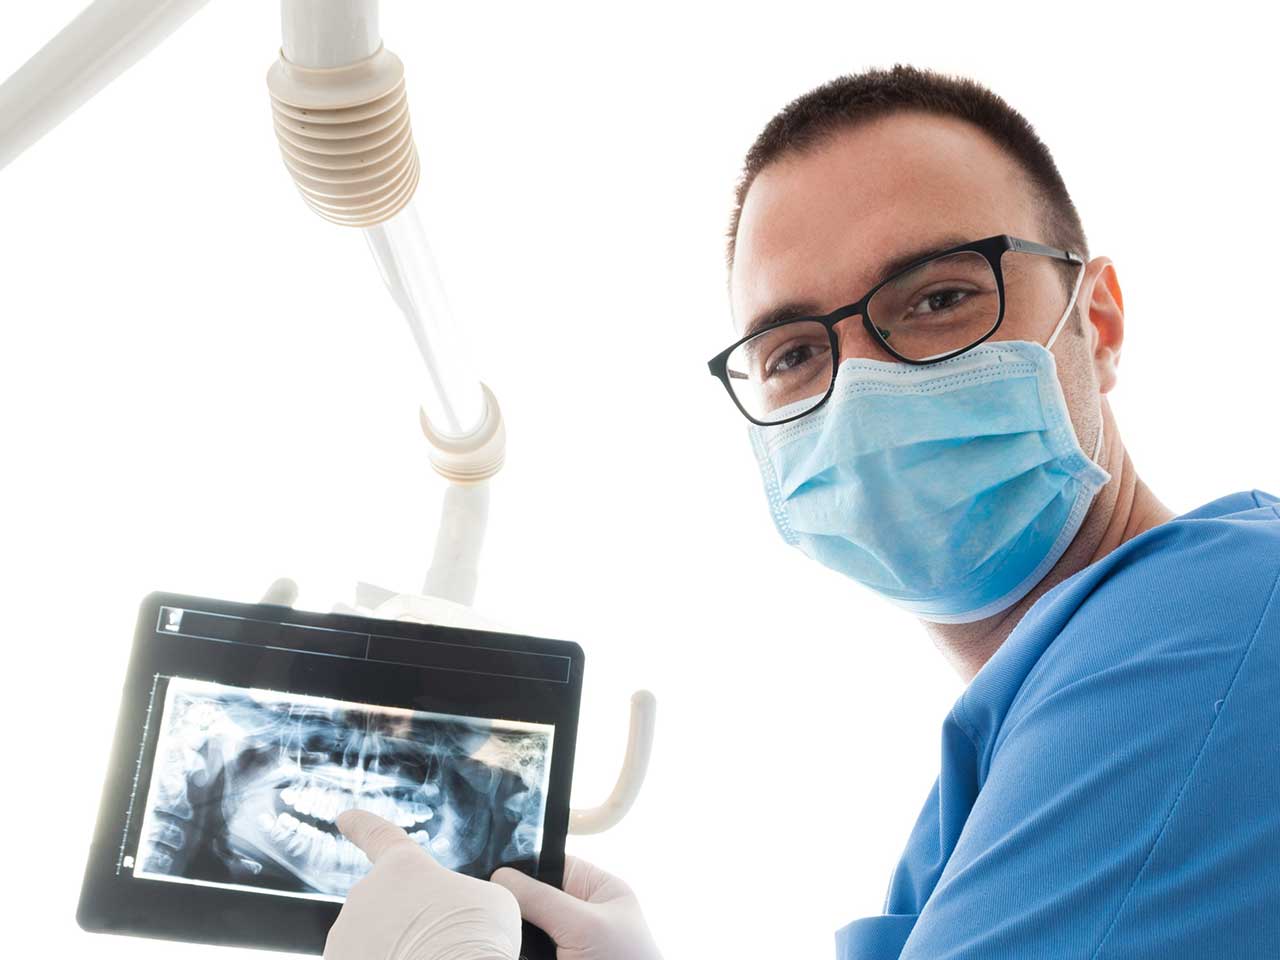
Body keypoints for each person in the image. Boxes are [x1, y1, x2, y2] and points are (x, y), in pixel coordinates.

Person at [322, 64, 1280, 959]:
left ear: (1098, 321)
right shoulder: (1014, 752)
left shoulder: (1204, 631)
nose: (861, 388)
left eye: (939, 297)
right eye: (793, 354)